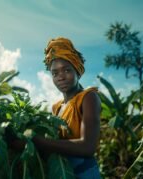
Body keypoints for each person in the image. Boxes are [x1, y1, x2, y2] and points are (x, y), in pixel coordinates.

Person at [32, 37, 101, 179]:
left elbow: (88, 147)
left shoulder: (88, 98)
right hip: (62, 171)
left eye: (66, 70)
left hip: (84, 173)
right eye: (55, 73)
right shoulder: (56, 107)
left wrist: (39, 142)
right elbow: (56, 144)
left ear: (77, 69)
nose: (60, 77)